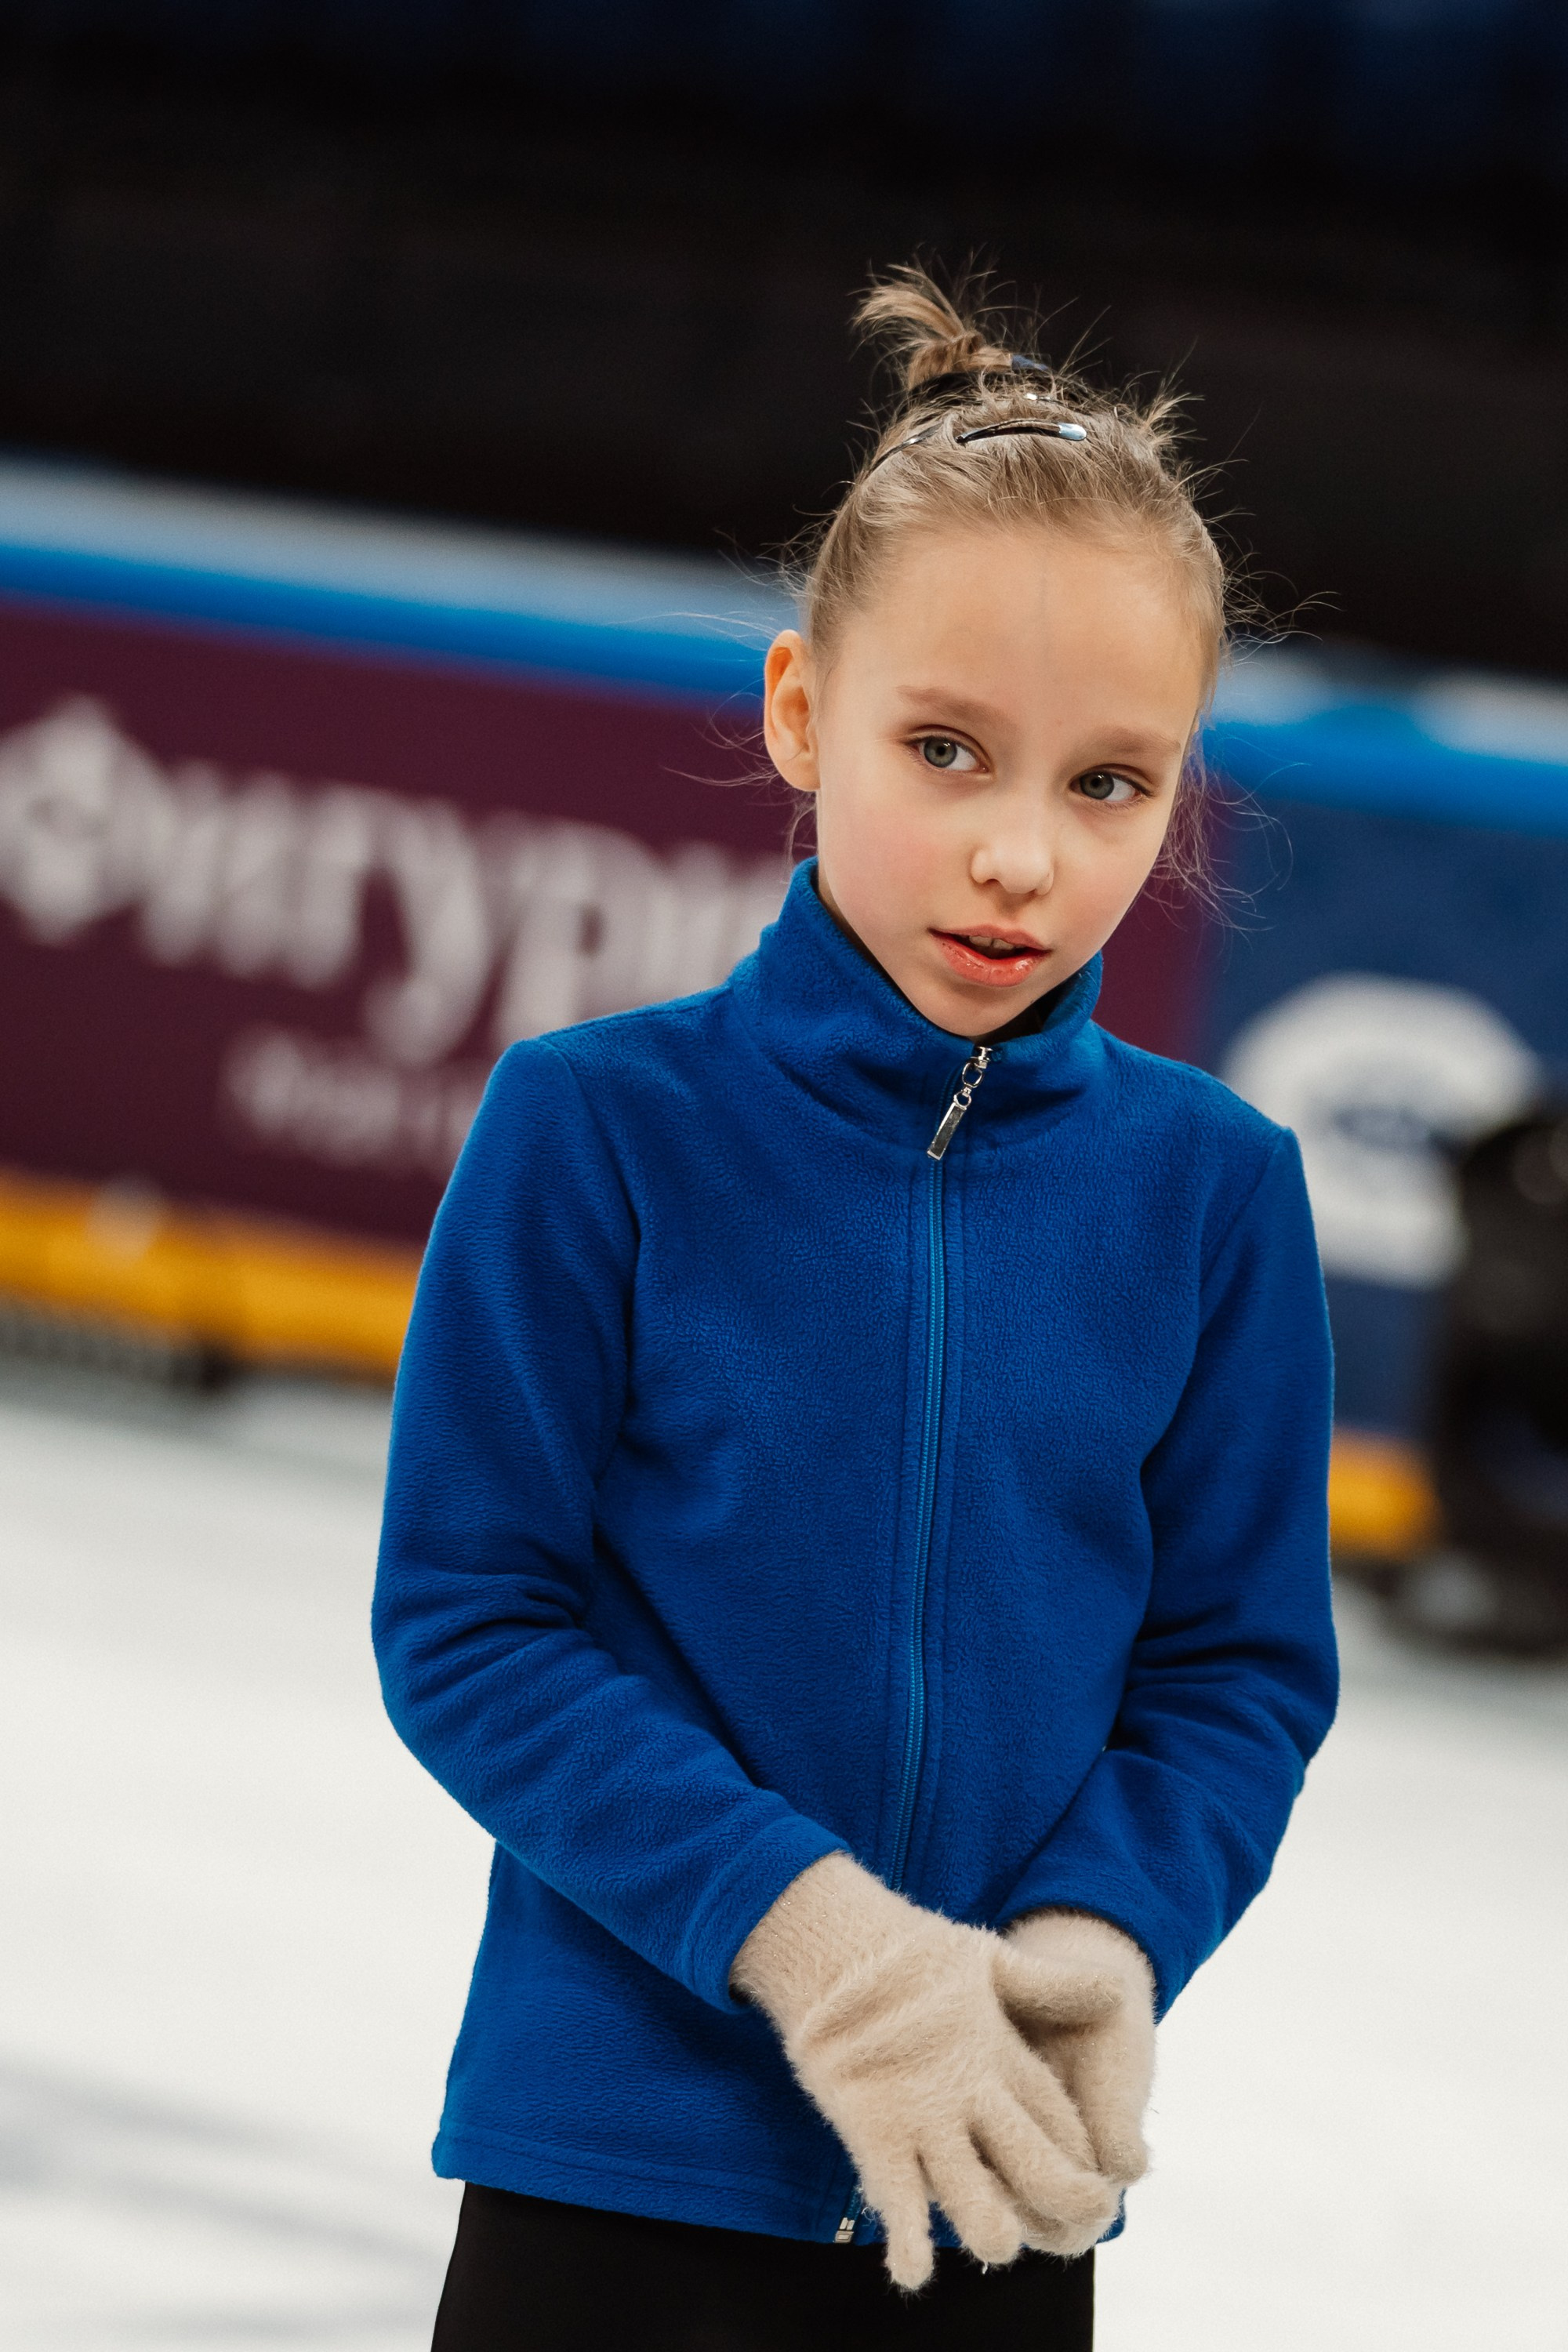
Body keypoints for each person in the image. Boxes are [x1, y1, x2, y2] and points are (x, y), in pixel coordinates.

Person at [372, 269, 1338, 2351]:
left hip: (994, 2192)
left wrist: (1103, 1937)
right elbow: (470, 1622)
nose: (1020, 856)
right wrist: (818, 1948)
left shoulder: (1220, 1198)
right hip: (606, 2177)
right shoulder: (592, 1133)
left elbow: (1239, 1670)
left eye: (1109, 785)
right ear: (803, 713)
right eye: (947, 750)